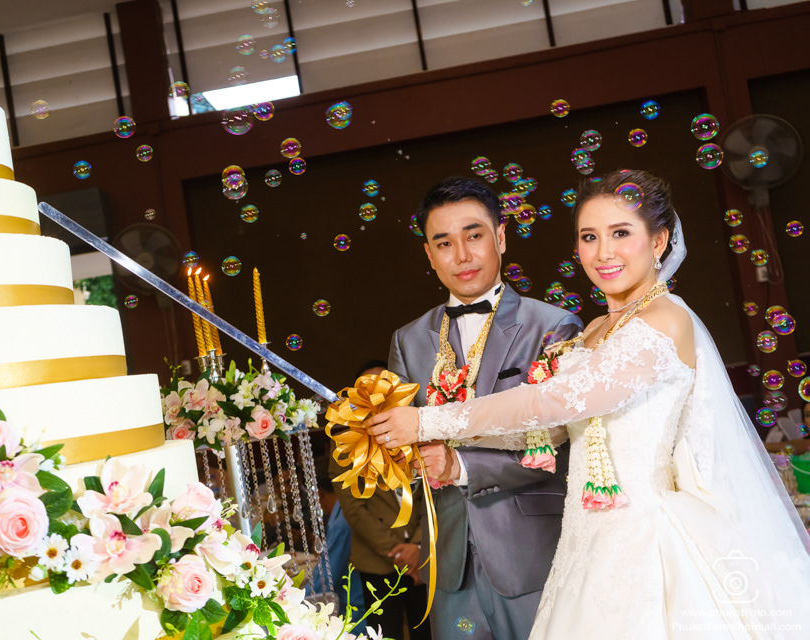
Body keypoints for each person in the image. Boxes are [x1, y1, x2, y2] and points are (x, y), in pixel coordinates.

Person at [367, 170, 810, 638]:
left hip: (644, 535)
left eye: (621, 233)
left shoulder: (665, 321)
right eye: (589, 237)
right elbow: (547, 433)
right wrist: (434, 449)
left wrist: (426, 421)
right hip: (584, 539)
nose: (604, 253)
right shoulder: (596, 330)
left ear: (659, 241)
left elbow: (551, 401)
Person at [387, 177, 582, 640]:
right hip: (448, 565)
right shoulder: (408, 340)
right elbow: (404, 450)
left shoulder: (553, 326)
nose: (462, 255)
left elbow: (564, 446)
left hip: (534, 556)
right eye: (444, 243)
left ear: (501, 236)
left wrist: (460, 465)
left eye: (474, 235)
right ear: (429, 255)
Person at [331, 360, 431, 640]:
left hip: (423, 557)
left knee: (428, 632)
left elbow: (434, 493)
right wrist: (399, 553)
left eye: (382, 384)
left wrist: (418, 547)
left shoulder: (417, 428)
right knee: (385, 634)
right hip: (378, 560)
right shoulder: (345, 440)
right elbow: (353, 509)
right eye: (367, 387)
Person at [309, 456, 367, 634]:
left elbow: (327, 576)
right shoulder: (342, 512)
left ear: (319, 494)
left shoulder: (341, 521)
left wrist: (296, 597)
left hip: (354, 611)